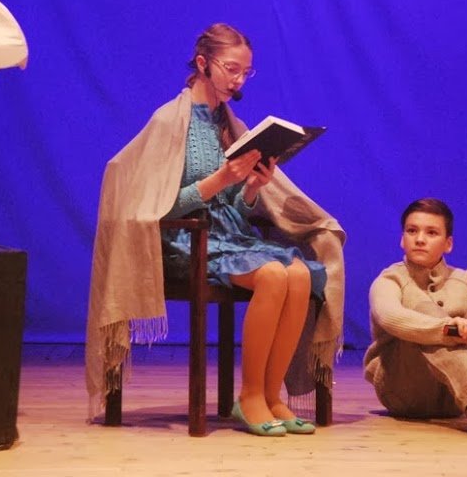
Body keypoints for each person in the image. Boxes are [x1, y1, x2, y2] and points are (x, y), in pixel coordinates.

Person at [85, 23, 345, 437]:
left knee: (299, 275)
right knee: (273, 275)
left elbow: (235, 209)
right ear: (203, 63)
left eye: (246, 72)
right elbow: (158, 206)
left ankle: (272, 395)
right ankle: (249, 396)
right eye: (231, 69)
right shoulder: (170, 121)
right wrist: (221, 179)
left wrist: (253, 187)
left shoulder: (229, 123)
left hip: (228, 238)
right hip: (184, 241)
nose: (239, 80)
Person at [363, 198, 467, 435]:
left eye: (431, 232)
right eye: (412, 231)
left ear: (448, 244)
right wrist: (445, 329)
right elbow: (389, 316)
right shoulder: (390, 280)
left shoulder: (465, 278)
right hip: (404, 390)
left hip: (454, 398)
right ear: (402, 239)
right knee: (426, 310)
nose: (420, 239)